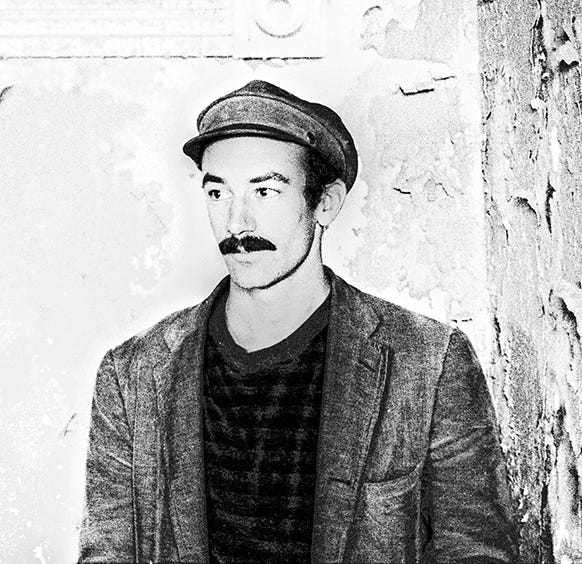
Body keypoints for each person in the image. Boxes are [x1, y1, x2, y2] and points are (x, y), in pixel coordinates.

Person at [79, 80, 518, 563]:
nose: (237, 222)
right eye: (218, 192)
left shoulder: (428, 361)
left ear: (325, 203)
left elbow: (476, 551)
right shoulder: (134, 373)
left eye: (265, 191)